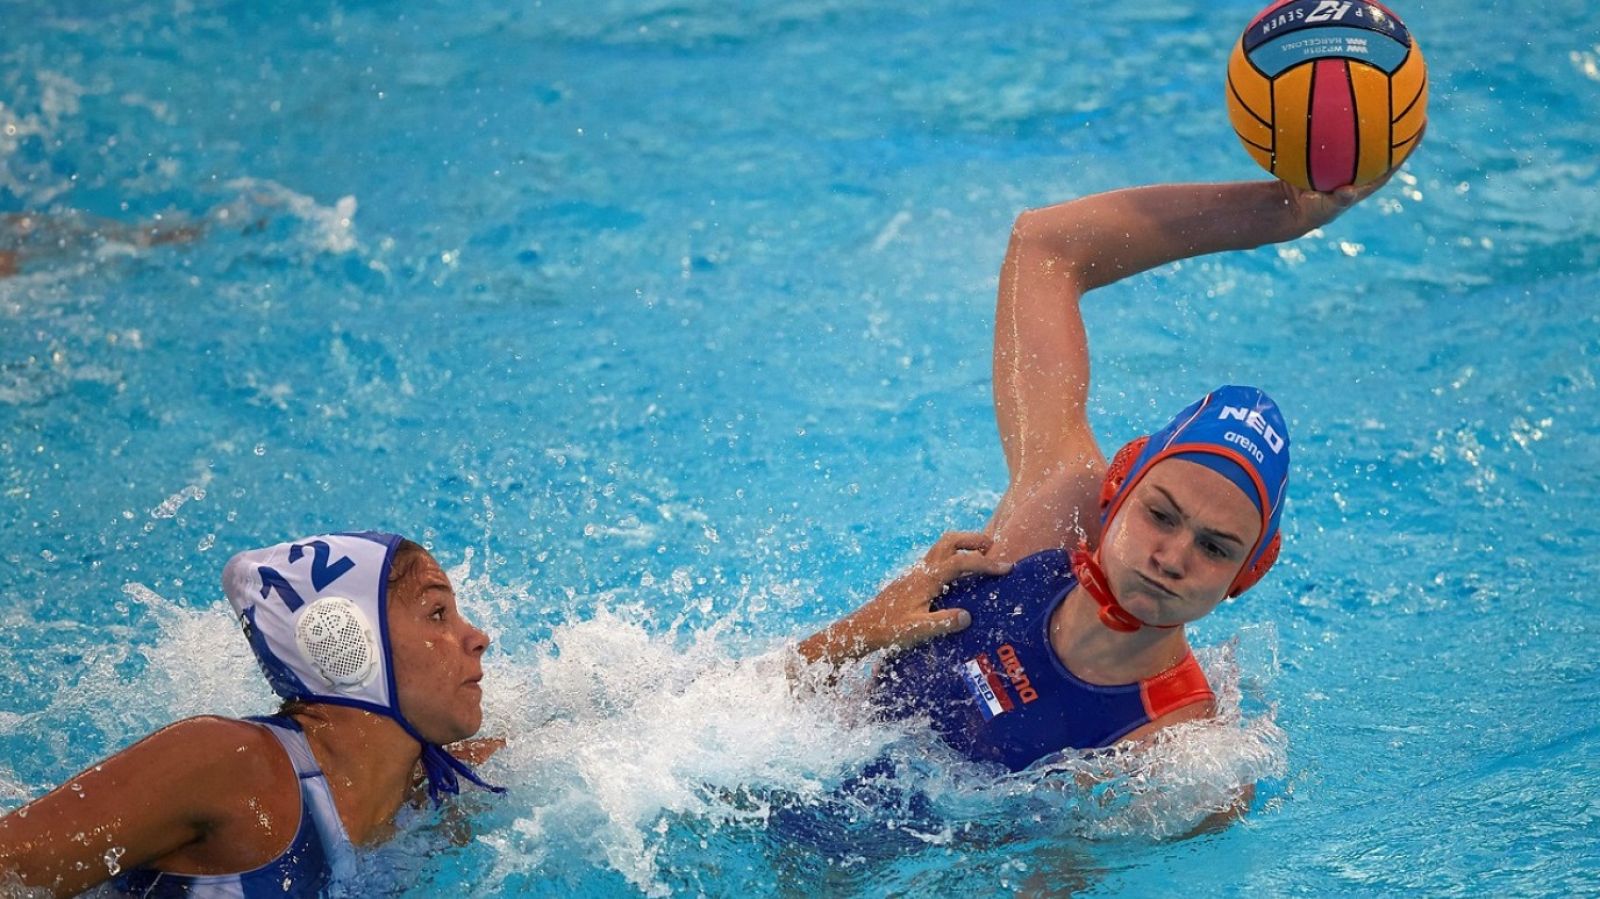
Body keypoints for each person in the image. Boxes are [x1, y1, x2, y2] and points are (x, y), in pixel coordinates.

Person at [795, 175, 1395, 777]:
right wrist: (1284, 210)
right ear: (1117, 489)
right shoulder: (1048, 523)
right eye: (1160, 514)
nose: (1171, 556)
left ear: (1250, 572)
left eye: (1215, 548)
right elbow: (1044, 244)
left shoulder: (1176, 754)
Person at [0, 531, 502, 898]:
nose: (477, 637)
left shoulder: (432, 796)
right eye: (438, 613)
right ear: (345, 642)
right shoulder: (233, 766)